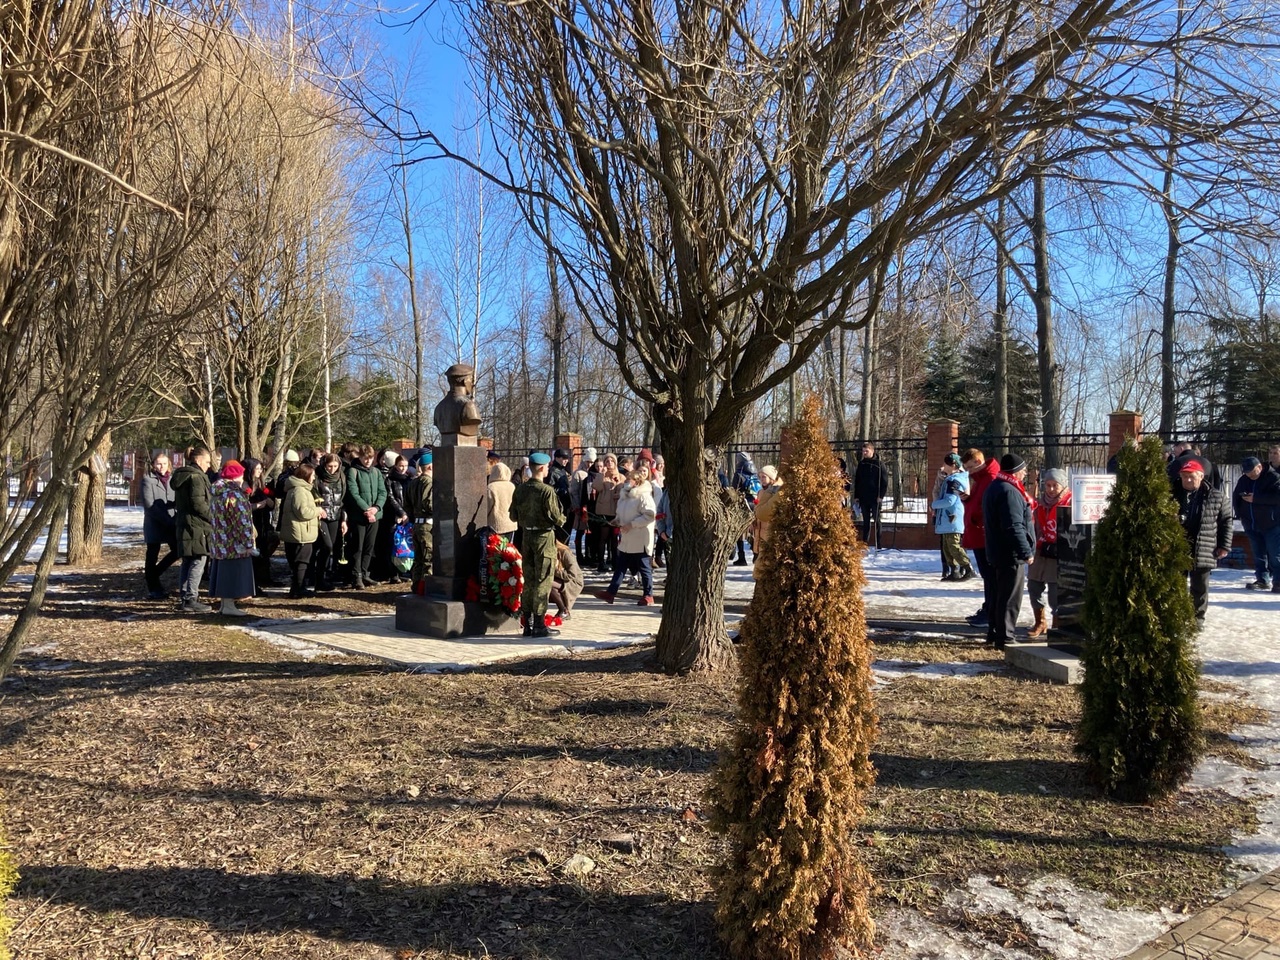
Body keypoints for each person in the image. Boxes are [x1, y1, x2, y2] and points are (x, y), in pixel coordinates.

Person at [981, 453, 1036, 650]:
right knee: (1010, 597)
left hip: (998, 551)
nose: (1025, 473)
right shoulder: (1009, 491)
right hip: (1009, 553)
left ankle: (996, 632)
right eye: (1023, 470)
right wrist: (1025, 551)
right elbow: (1013, 526)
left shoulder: (995, 486)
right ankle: (1006, 637)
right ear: (1016, 471)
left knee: (998, 594)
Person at [509, 452, 566, 637]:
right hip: (543, 539)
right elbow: (558, 518)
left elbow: (513, 516)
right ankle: (540, 625)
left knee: (529, 581)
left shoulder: (520, 489)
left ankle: (527, 623)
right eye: (547, 467)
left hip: (526, 537)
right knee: (543, 581)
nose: (548, 469)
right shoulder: (546, 491)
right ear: (541, 468)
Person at [1176, 458, 1233, 621]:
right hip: (1178, 546)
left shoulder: (1215, 496)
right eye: (1184, 476)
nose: (1187, 480)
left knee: (1199, 587)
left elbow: (1226, 521)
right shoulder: (1173, 493)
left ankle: (1197, 618)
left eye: (1191, 476)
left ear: (1201, 476)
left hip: (1204, 546)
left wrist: (1224, 545)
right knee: (1176, 584)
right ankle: (1177, 616)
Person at [595, 465, 658, 604]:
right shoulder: (624, 496)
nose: (626, 482)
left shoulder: (644, 496)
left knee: (644, 567)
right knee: (621, 567)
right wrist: (617, 520)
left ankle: (648, 595)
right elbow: (621, 513)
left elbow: (650, 515)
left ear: (637, 482)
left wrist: (632, 524)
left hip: (640, 538)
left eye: (630, 480)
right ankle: (611, 593)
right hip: (627, 539)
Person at [1027, 467, 1072, 638]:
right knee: (1033, 587)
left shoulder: (1069, 503)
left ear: (1063, 486)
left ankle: (1057, 623)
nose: (1051, 489)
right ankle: (1040, 622)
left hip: (1058, 554)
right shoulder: (1039, 504)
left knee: (1055, 593)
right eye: (1048, 485)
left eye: (1055, 485)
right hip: (1040, 551)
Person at [208, 460, 256, 616]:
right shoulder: (234, 494)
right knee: (232, 573)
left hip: (220, 541)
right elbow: (241, 521)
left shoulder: (217, 492)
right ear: (237, 476)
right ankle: (228, 606)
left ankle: (224, 604)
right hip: (233, 542)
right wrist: (248, 542)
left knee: (224, 573)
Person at [961, 448, 1001, 627]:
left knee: (992, 577)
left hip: (985, 536)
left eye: (969, 468)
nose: (968, 472)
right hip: (979, 534)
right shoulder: (981, 479)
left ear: (978, 462)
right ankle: (988, 608)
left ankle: (991, 612)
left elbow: (989, 507)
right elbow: (978, 502)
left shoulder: (991, 479)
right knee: (988, 576)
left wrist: (975, 517)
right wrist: (967, 500)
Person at [172, 446, 214, 614]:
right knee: (198, 561)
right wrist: (213, 517)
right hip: (197, 526)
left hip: (187, 524)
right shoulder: (196, 477)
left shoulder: (183, 475)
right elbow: (199, 504)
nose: (209, 465)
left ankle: (185, 597)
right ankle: (190, 598)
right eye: (207, 461)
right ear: (198, 460)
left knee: (188, 561)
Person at [344, 444, 387, 589]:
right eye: (365, 458)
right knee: (358, 547)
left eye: (370, 458)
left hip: (375, 515)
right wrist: (366, 509)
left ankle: (365, 572)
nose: (367, 461)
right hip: (359, 516)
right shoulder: (353, 471)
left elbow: (383, 492)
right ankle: (357, 576)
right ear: (360, 457)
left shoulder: (376, 472)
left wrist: (376, 508)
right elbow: (353, 493)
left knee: (370, 546)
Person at [279, 462, 321, 598]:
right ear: (306, 476)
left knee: (298, 562)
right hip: (300, 533)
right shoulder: (300, 491)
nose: (314, 478)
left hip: (296, 531)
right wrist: (318, 510)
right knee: (301, 562)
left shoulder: (296, 489)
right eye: (313, 475)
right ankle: (298, 589)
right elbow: (302, 512)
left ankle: (297, 588)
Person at [140, 453, 178, 599]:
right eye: (158, 464)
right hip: (155, 523)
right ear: (153, 465)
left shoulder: (172, 480)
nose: (161, 467)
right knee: (152, 554)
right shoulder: (147, 481)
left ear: (169, 464)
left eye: (164, 463)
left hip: (171, 522)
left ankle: (155, 573)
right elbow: (149, 505)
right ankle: (153, 587)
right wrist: (167, 520)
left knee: (178, 550)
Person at [931, 455, 974, 582]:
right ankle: (953, 570)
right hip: (946, 519)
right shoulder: (950, 479)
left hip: (952, 518)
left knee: (954, 545)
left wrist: (933, 505)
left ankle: (968, 568)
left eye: (945, 464)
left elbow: (950, 500)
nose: (943, 467)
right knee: (946, 547)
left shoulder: (954, 480)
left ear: (953, 465)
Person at [404, 452, 433, 588]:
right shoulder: (428, 482)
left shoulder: (413, 482)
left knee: (418, 559)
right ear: (430, 467)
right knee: (428, 559)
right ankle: (425, 588)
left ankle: (416, 586)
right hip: (427, 525)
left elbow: (407, 505)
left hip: (417, 524)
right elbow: (429, 504)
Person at [591, 454, 625, 572]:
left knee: (614, 539)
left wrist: (619, 494)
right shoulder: (601, 476)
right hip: (603, 510)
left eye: (612, 461)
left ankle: (615, 562)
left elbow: (626, 492)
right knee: (603, 537)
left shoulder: (621, 477)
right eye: (607, 461)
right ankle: (601, 562)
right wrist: (601, 474)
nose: (609, 463)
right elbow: (597, 487)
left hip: (616, 511)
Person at [854, 442, 889, 548]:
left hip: (875, 498)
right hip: (864, 497)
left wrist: (881, 496)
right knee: (866, 521)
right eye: (863, 451)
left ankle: (878, 543)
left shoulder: (879, 464)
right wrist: (856, 496)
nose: (864, 453)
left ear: (872, 451)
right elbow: (858, 481)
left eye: (866, 451)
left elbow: (884, 481)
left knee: (877, 520)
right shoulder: (861, 464)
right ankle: (865, 543)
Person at [730, 451, 760, 565]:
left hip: (744, 505)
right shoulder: (754, 473)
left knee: (740, 532)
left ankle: (741, 557)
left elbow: (734, 491)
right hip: (755, 503)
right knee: (753, 530)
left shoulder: (739, 473)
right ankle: (755, 554)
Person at [751, 465, 783, 571]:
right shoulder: (760, 492)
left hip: (770, 536)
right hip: (759, 535)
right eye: (759, 477)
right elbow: (757, 510)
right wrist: (754, 520)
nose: (761, 480)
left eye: (764, 477)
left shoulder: (776, 493)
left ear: (772, 478)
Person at [550, 540, 585, 619]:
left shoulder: (565, 553)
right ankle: (562, 609)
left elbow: (572, 575)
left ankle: (564, 611)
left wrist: (554, 570)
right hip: (561, 579)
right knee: (544, 584)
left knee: (548, 583)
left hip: (573, 581)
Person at [485, 460, 518, 536]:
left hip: (496, 525)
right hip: (511, 524)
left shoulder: (491, 487)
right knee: (509, 547)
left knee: (496, 547)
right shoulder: (511, 486)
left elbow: (487, 507)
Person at [549, 448, 574, 544]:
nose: (566, 460)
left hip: (566, 506)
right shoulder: (553, 471)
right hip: (559, 507)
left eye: (567, 458)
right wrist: (563, 491)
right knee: (560, 536)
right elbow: (550, 491)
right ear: (556, 458)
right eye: (563, 458)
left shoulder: (563, 470)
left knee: (566, 535)